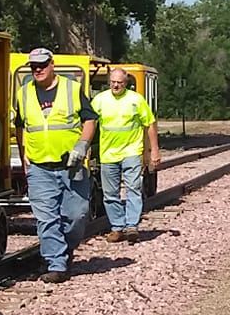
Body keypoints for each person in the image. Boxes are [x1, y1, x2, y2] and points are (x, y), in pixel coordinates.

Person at [14, 48, 96, 282]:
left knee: (76, 216)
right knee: (46, 218)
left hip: (72, 166)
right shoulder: (23, 93)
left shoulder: (72, 89)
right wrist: (24, 156)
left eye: (42, 65)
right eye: (33, 66)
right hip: (40, 167)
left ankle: (65, 250)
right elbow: (20, 125)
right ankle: (56, 263)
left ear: (52, 65)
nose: (37, 70)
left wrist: (82, 145)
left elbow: (90, 119)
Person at [91, 67, 159, 240]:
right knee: (110, 193)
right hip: (108, 154)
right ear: (109, 82)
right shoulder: (100, 100)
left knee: (133, 189)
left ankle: (131, 226)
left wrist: (154, 150)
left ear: (125, 83)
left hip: (131, 151)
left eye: (119, 83)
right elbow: (89, 123)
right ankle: (117, 227)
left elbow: (149, 123)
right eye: (113, 82)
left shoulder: (136, 100)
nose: (116, 86)